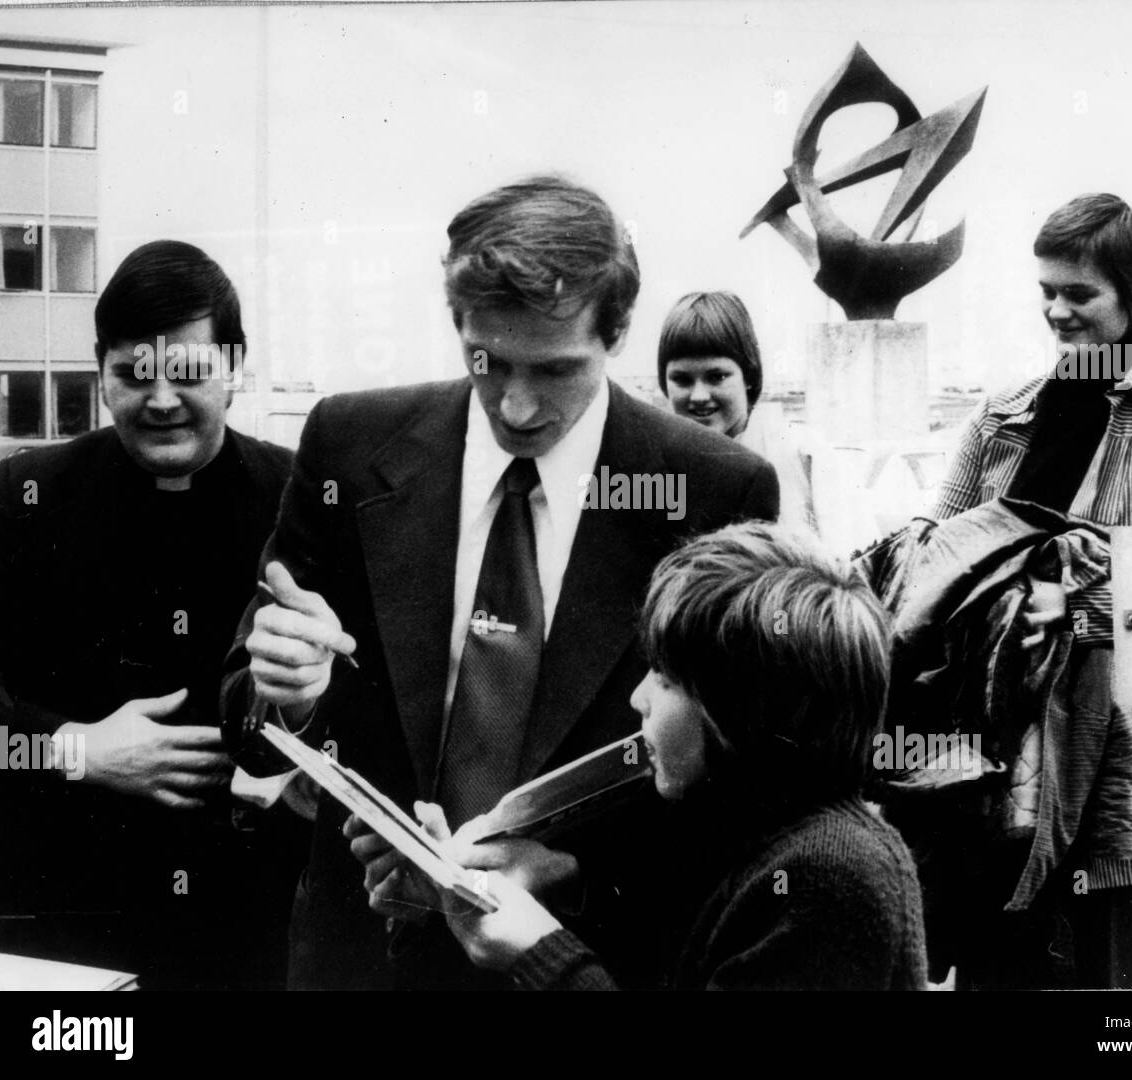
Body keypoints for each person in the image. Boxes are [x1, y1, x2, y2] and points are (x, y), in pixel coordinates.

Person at [220, 175, 780, 989]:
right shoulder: (351, 444)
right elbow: (243, 708)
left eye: (554, 370)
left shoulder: (713, 489)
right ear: (458, 327)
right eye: (489, 364)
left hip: (583, 958)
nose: (516, 407)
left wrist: (577, 877)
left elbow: (733, 789)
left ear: (618, 331)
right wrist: (288, 696)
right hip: (363, 957)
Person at [352, 522, 926, 989]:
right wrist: (551, 880)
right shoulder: (749, 827)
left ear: (743, 710)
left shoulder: (829, 879)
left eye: (666, 678)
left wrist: (541, 954)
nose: (638, 698)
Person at [0, 241, 307, 989]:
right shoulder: (32, 496)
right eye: (133, 375)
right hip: (64, 926)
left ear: (233, 367)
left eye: (189, 373)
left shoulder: (295, 496)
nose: (161, 400)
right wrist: (78, 752)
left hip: (243, 929)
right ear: (101, 376)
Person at [930, 193, 1132, 988]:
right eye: (1046, 293)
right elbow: (930, 565)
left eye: (1078, 293)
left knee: (1111, 995)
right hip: (1000, 770)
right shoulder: (1000, 420)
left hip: (1127, 780)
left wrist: (1055, 598)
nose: (1057, 312)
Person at [657, 291, 816, 531]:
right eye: (682, 379)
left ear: (749, 376)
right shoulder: (654, 469)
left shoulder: (802, 454)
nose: (699, 396)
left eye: (716, 377)